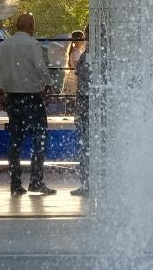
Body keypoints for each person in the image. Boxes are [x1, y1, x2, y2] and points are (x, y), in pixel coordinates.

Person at [0, 12, 54, 195]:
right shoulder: (33, 45)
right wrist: (48, 83)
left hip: (13, 98)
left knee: (15, 141)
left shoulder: (3, 45)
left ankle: (15, 183)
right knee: (40, 139)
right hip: (32, 98)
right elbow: (39, 66)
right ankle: (36, 181)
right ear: (31, 26)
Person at [68, 31, 93, 198]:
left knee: (86, 144)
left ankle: (86, 183)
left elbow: (81, 74)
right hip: (90, 101)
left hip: (86, 101)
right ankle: (88, 182)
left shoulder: (89, 53)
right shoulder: (89, 52)